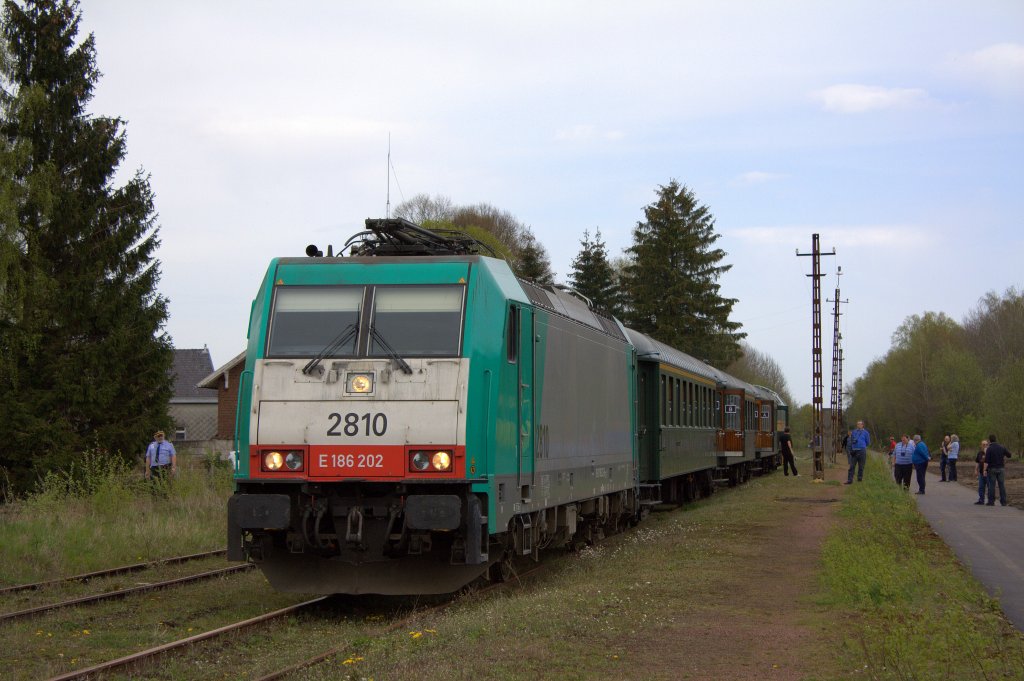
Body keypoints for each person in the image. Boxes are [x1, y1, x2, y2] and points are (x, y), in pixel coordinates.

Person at [983, 435, 1012, 507]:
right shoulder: (1002, 447)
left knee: (992, 485)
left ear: (989, 440)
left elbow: (986, 461)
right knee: (1001, 485)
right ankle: (1003, 502)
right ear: (996, 440)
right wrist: (1003, 458)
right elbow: (1009, 455)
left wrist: (984, 470)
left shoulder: (989, 449)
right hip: (1001, 468)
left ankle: (991, 501)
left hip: (992, 468)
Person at [844, 420, 870, 484]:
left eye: (859, 424)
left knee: (861, 466)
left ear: (862, 425)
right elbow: (851, 440)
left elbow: (868, 442)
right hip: (854, 450)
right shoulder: (854, 432)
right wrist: (851, 449)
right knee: (852, 466)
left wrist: (862, 446)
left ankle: (859, 479)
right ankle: (850, 480)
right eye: (857, 424)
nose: (858, 425)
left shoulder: (866, 433)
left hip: (862, 451)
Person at [974, 440, 989, 505]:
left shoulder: (989, 452)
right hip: (981, 472)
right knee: (981, 487)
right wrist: (975, 469)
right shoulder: (979, 453)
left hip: (988, 472)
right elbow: (977, 461)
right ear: (981, 445)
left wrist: (986, 453)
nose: (985, 446)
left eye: (986, 444)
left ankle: (990, 500)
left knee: (989, 487)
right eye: (983, 445)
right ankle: (981, 500)